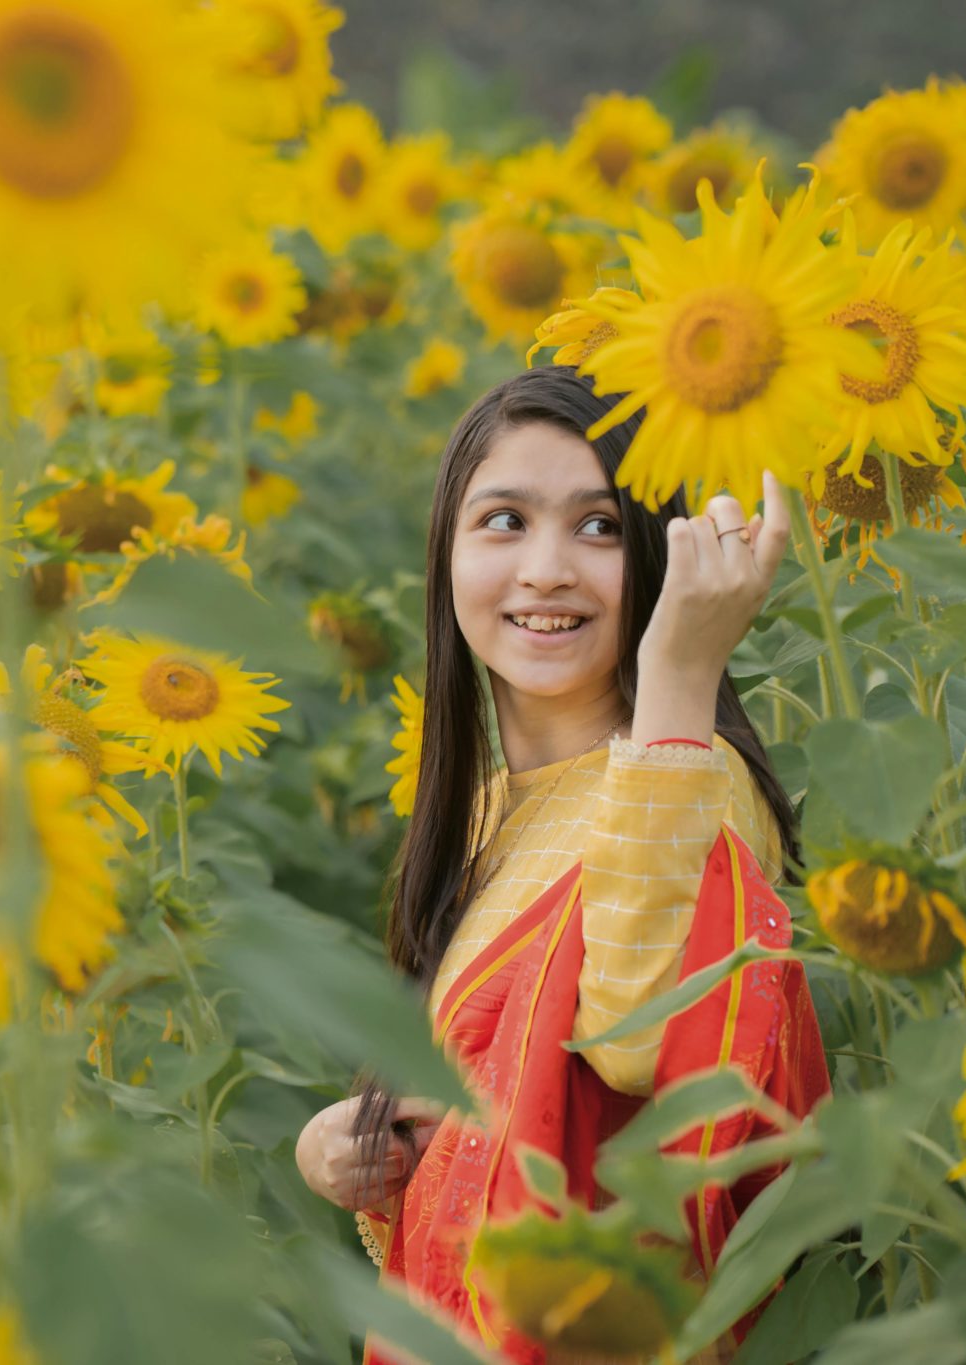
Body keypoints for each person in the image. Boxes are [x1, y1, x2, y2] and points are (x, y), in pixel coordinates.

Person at [294, 366, 828, 1361]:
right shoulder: (486, 817)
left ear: (663, 557)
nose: (543, 569)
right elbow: (501, 1140)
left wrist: (678, 675)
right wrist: (351, 1151)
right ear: (444, 555)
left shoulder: (695, 784)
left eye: (597, 528)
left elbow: (643, 1047)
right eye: (502, 521)